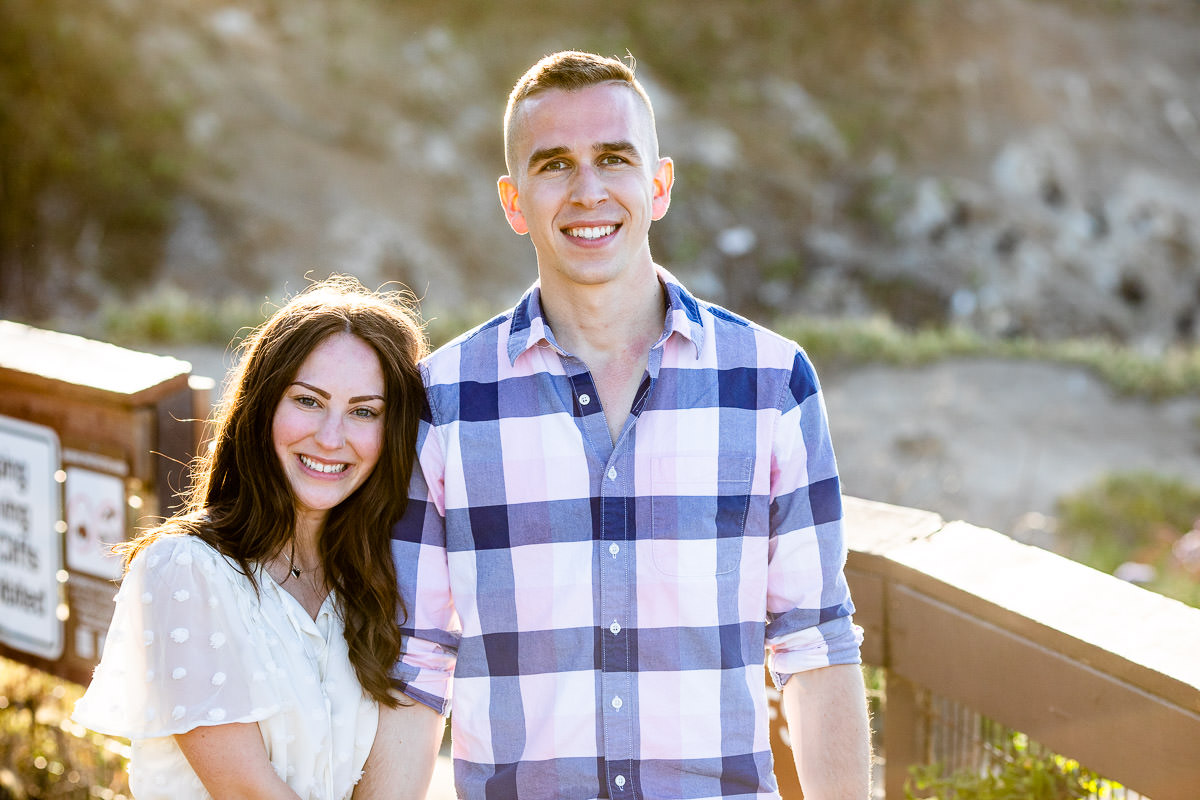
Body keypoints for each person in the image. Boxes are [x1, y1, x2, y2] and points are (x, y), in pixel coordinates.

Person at [369, 51, 871, 800]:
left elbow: (817, 643)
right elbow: (416, 665)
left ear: (658, 184)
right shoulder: (444, 399)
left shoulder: (769, 382)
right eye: (554, 165)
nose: (588, 190)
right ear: (513, 202)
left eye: (613, 158)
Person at [72, 275, 429, 800]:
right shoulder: (184, 570)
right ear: (262, 407)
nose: (331, 438)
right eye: (308, 401)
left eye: (363, 411)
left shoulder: (372, 587)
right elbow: (246, 791)